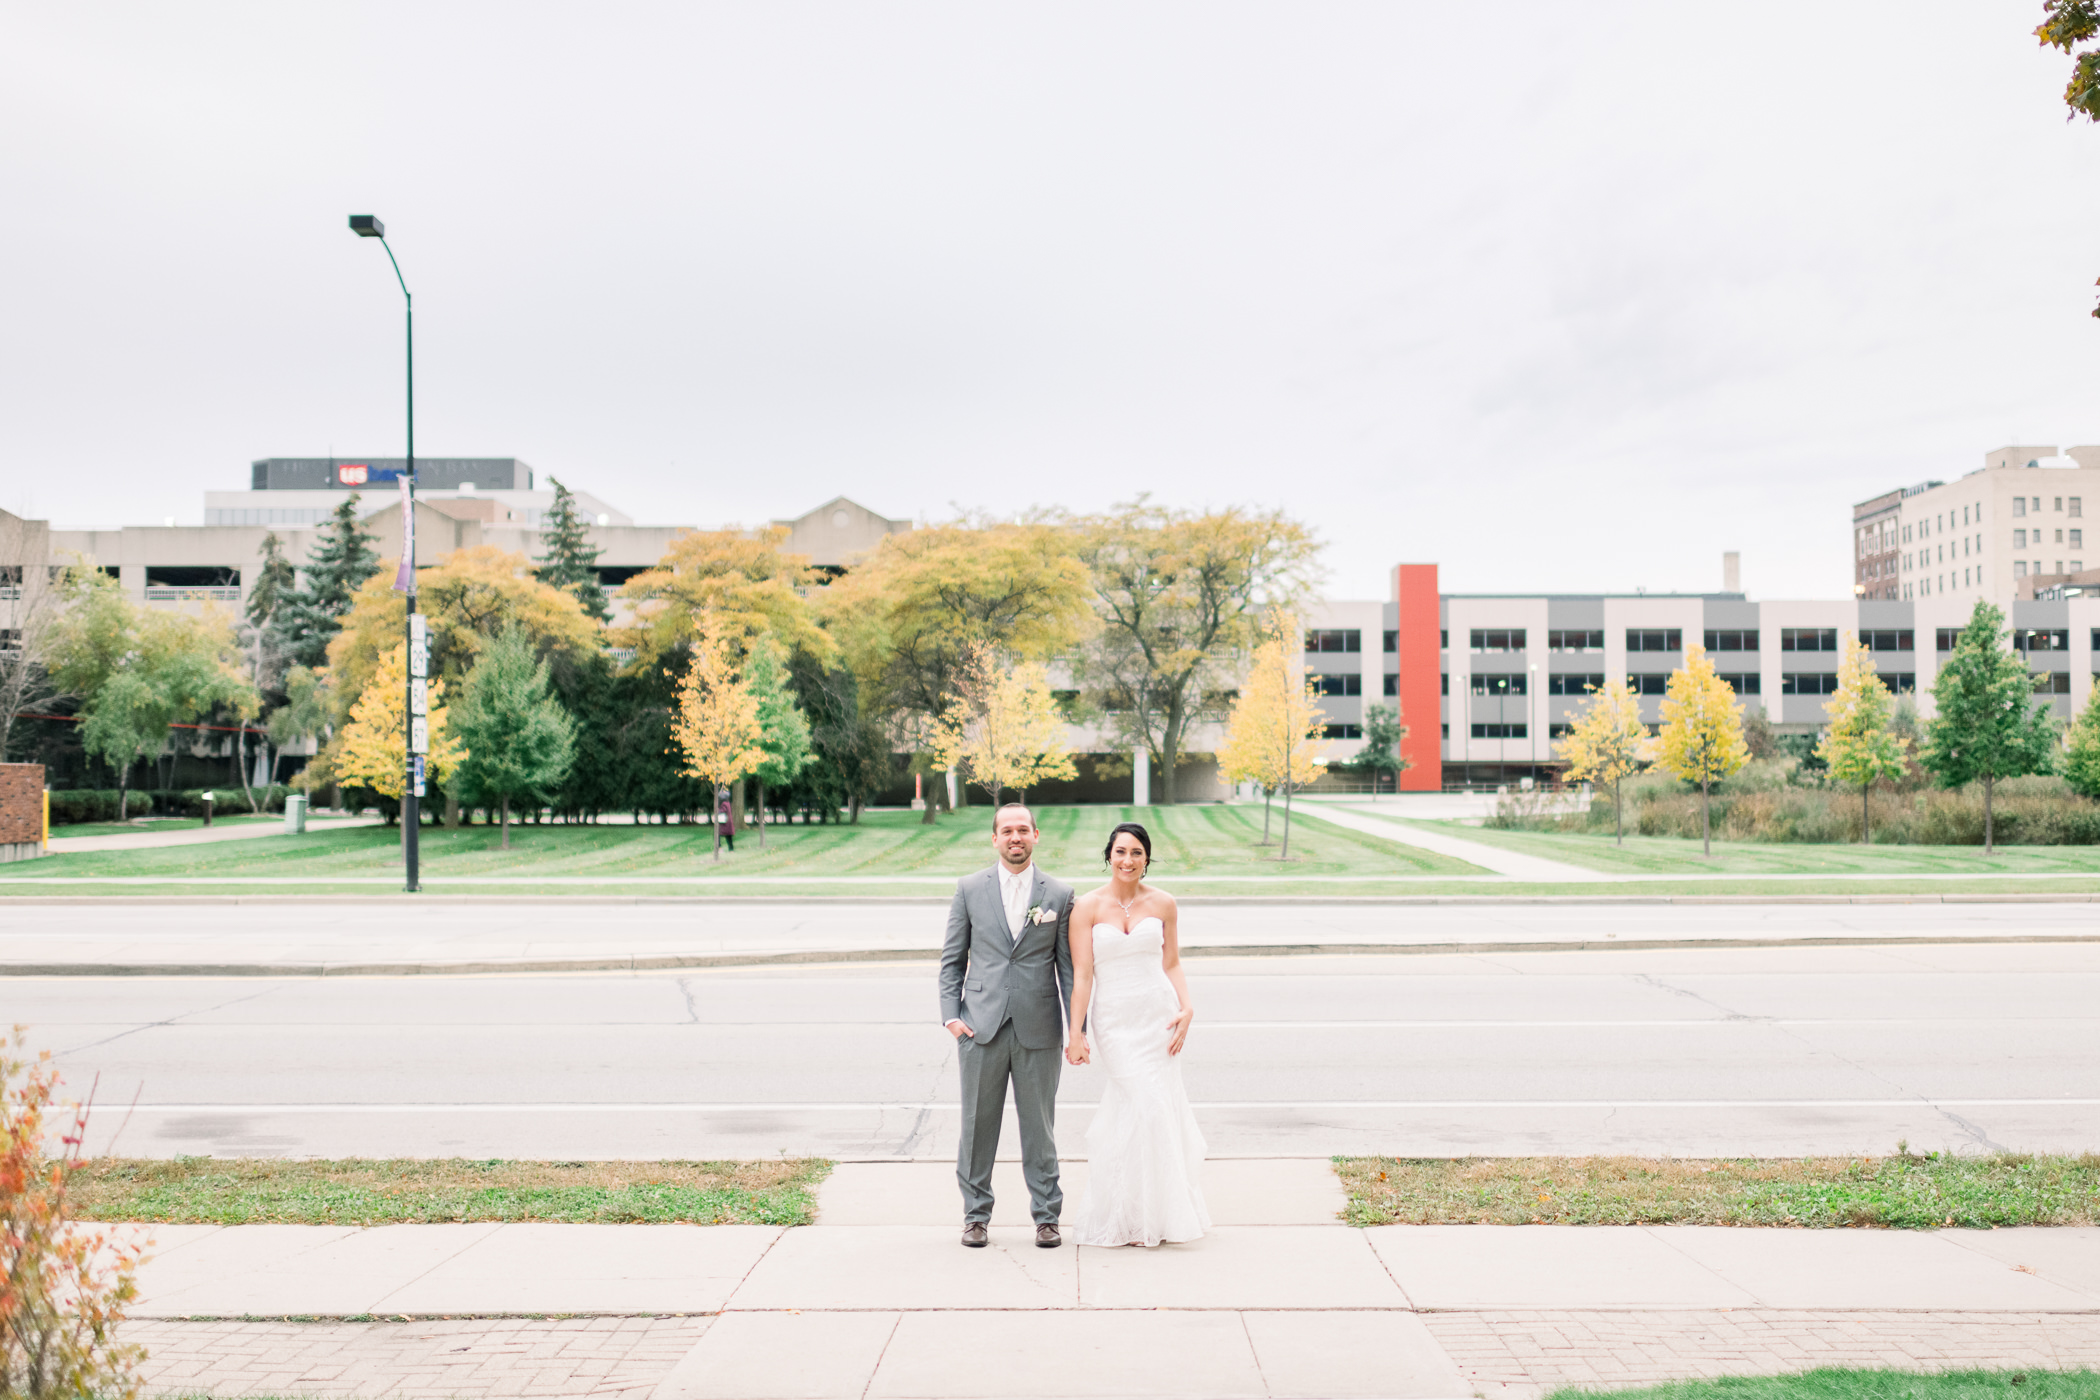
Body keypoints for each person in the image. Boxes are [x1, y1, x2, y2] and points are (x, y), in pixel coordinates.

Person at [1065, 821, 1210, 1247]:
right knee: (1144, 1105)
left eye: (1137, 853)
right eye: (1121, 852)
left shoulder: (1164, 903)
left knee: (1154, 1111)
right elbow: (1082, 975)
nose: (1128, 860)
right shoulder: (1087, 907)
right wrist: (1076, 1032)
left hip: (1158, 1018)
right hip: (1114, 1022)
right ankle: (1124, 1212)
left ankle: (1154, 1215)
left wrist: (1187, 1007)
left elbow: (1172, 963)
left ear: (1147, 859)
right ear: (1108, 855)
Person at [937, 803, 1074, 1249]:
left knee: (1041, 1129)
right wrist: (952, 1016)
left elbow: (1068, 969)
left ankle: (1047, 1218)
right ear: (994, 838)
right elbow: (952, 960)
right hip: (980, 1027)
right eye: (1007, 831)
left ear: (1036, 834)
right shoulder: (969, 889)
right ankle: (975, 1216)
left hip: (1039, 1027)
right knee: (977, 1127)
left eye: (1023, 830)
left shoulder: (1059, 893)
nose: (1015, 837)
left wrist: (1077, 1029)